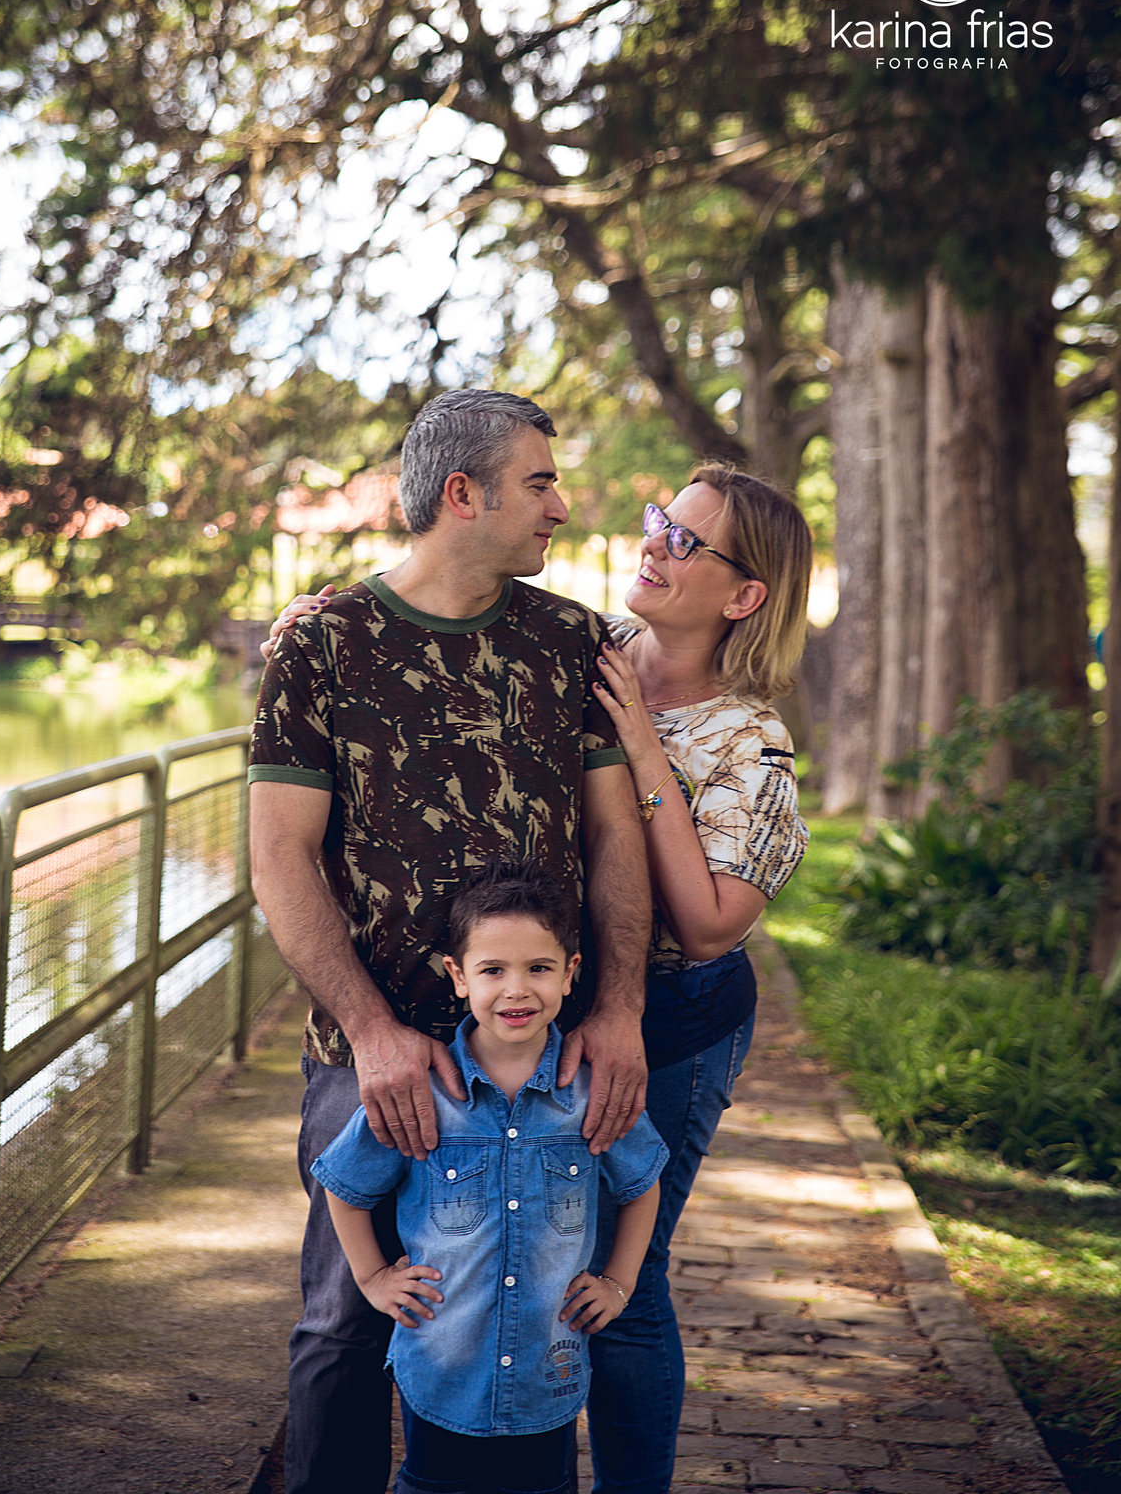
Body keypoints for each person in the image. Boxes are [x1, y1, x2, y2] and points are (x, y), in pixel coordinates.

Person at [269, 459, 812, 1494]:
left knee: (619, 1278)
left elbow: (707, 926)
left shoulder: (750, 739)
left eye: (686, 540)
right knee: (531, 1249)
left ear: (744, 597)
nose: (653, 544)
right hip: (548, 998)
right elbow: (449, 616)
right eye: (660, 520)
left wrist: (641, 747)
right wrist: (323, 624)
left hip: (674, 1013)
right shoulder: (587, 645)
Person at [247, 389, 652, 1494]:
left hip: (536, 1052)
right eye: (541, 482)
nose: (561, 506)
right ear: (462, 493)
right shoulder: (321, 644)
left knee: (535, 1310)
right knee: (343, 1322)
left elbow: (615, 838)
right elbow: (282, 859)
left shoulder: (572, 642)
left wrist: (618, 1008)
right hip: (369, 1053)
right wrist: (372, 1032)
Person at [311, 861, 668, 1494]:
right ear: (458, 976)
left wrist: (619, 1282)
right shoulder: (421, 1093)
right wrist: (372, 1278)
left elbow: (642, 1184)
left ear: (570, 973)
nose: (516, 990)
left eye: (539, 969)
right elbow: (345, 1184)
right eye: (493, 970)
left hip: (548, 1368)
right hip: (441, 1364)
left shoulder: (590, 1093)